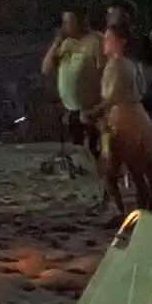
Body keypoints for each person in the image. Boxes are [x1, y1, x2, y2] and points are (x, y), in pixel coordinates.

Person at [94, 22, 152, 215]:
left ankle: (128, 214)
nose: (104, 42)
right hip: (136, 118)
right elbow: (139, 92)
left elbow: (113, 97)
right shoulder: (132, 65)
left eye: (108, 38)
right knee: (143, 170)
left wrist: (93, 112)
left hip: (124, 122)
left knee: (131, 172)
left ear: (121, 42)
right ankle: (145, 211)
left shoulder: (117, 65)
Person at [42, 11, 105, 182]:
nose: (64, 27)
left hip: (91, 106)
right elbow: (46, 69)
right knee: (78, 148)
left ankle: (104, 180)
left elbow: (103, 72)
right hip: (71, 107)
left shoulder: (95, 41)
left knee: (94, 148)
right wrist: (56, 42)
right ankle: (90, 179)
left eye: (67, 22)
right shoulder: (65, 43)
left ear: (80, 22)